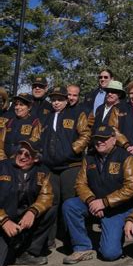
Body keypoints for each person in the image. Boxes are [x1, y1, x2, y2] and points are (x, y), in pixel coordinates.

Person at [62, 125, 133, 264]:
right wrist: (92, 201)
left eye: (104, 139)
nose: (100, 142)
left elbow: (131, 187)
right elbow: (80, 183)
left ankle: (118, 233)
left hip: (118, 209)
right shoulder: (89, 156)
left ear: (114, 140)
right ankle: (82, 247)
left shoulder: (125, 157)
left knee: (110, 254)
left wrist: (104, 202)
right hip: (94, 203)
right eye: (97, 139)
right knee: (70, 205)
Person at [41, 86, 91, 242]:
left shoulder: (77, 114)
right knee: (52, 201)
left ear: (66, 100)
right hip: (51, 167)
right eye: (54, 100)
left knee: (69, 201)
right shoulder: (47, 117)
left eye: (60, 100)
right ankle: (50, 238)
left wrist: (71, 151)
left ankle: (71, 238)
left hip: (71, 165)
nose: (56, 103)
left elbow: (86, 134)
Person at [0, 140, 56, 266]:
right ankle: (11, 252)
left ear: (36, 158)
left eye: (28, 154)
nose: (22, 156)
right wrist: (4, 220)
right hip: (3, 218)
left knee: (50, 210)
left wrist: (33, 211)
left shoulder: (43, 171)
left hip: (22, 217)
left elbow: (47, 196)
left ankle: (27, 252)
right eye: (20, 152)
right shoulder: (3, 166)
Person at [0, 93, 41, 161]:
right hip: (5, 162)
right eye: (16, 104)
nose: (18, 107)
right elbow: (1, 141)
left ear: (29, 107)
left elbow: (34, 143)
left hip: (22, 162)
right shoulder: (9, 121)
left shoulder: (35, 122)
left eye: (21, 105)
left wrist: (19, 158)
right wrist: (2, 157)